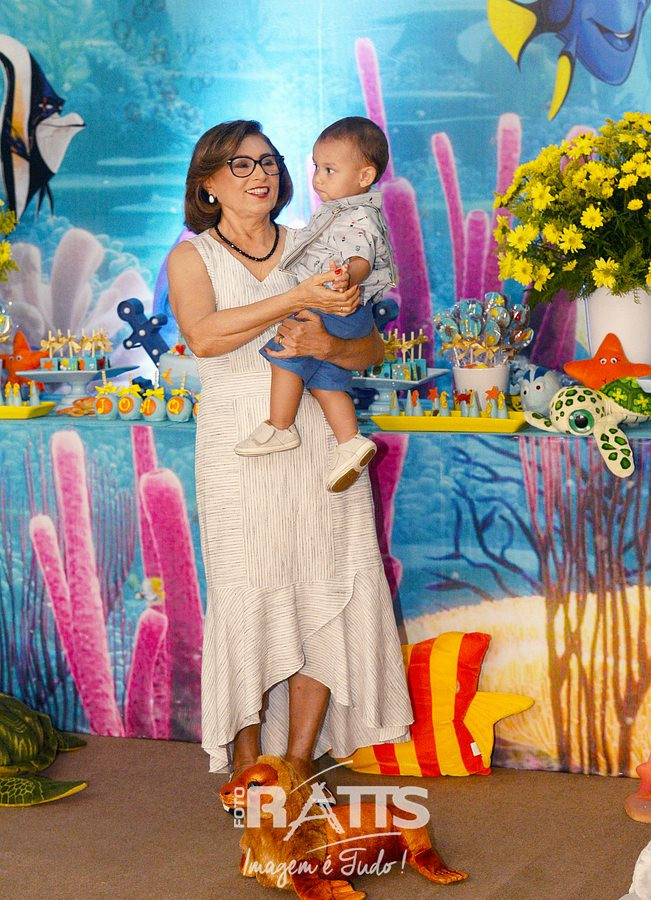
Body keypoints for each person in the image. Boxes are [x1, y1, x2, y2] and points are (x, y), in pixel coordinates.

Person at [167, 119, 412, 791]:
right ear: (208, 184)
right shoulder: (192, 257)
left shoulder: (322, 239)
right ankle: (251, 766)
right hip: (237, 447)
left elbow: (371, 348)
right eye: (242, 164)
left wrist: (330, 346)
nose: (262, 174)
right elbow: (204, 337)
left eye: (269, 161)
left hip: (322, 448)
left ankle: (298, 761)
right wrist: (298, 296)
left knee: (325, 588)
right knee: (247, 594)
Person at [235, 116, 397, 494]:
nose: (318, 179)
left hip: (334, 303)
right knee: (327, 382)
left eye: (329, 170)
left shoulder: (358, 215)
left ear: (365, 176)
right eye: (316, 168)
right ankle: (350, 441)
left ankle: (280, 426)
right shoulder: (341, 209)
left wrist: (347, 276)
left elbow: (361, 257)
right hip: (347, 309)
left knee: (286, 352)